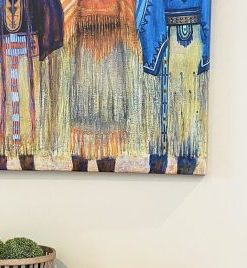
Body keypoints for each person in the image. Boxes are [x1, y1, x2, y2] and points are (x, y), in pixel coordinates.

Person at [65, 0, 145, 172]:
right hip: (84, 52)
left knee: (110, 110)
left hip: (113, 50)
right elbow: (67, 13)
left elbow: (130, 16)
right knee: (82, 109)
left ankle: (108, 169)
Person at [0, 0, 64, 170]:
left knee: (27, 105)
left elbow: (49, 10)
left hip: (28, 46)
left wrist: (45, 43)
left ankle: (27, 160)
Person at [136, 0, 210, 174]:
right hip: (162, 39)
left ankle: (187, 161)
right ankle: (159, 161)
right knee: (159, 109)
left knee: (189, 107)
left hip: (193, 42)